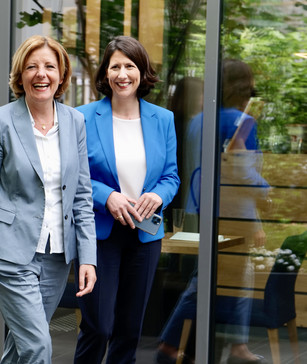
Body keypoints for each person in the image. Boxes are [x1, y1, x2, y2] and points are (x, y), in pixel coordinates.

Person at [0, 35, 97, 364]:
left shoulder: (74, 121)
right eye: (31, 66)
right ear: (20, 75)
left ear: (62, 75)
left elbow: (81, 194)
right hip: (10, 253)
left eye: (50, 66)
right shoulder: (0, 121)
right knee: (39, 346)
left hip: (56, 256)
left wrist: (88, 257)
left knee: (21, 347)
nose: (41, 74)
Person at [74, 35, 180, 364]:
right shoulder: (82, 117)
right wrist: (107, 196)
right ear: (105, 73)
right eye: (115, 66)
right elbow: (71, 178)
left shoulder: (162, 119)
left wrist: (157, 195)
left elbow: (172, 176)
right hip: (100, 234)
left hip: (145, 235)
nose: (123, 74)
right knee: (99, 326)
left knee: (130, 329)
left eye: (130, 66)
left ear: (142, 72)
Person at [156, 59, 270, 364]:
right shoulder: (242, 120)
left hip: (198, 209)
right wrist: (266, 192)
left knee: (207, 279)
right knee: (217, 281)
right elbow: (240, 170)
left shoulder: (197, 120)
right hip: (233, 214)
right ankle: (175, 343)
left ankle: (220, 346)